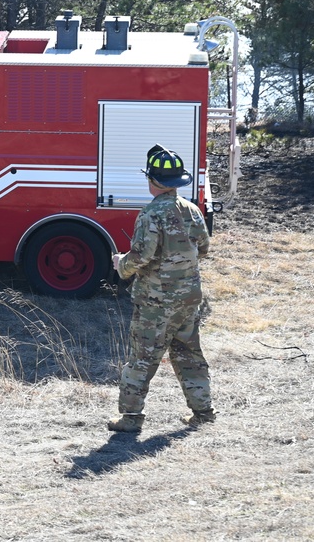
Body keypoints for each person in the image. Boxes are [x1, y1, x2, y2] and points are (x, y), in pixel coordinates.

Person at [107, 144, 215, 433]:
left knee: (142, 357)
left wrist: (120, 264)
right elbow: (203, 248)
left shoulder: (150, 215)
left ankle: (131, 418)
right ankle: (203, 412)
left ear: (152, 181)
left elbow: (140, 258)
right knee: (189, 353)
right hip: (189, 296)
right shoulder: (192, 210)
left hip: (156, 301)